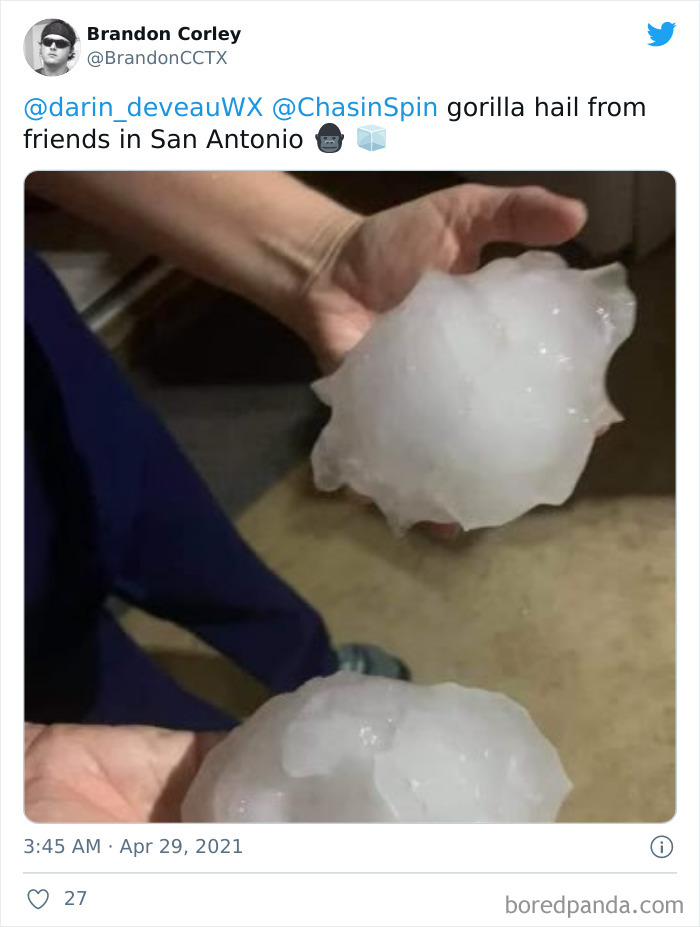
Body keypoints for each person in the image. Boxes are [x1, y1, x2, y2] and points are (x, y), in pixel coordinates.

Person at [24, 172, 587, 821]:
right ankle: (214, 741)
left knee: (190, 545)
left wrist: (323, 252)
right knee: (109, 715)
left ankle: (316, 664)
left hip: (44, 381)